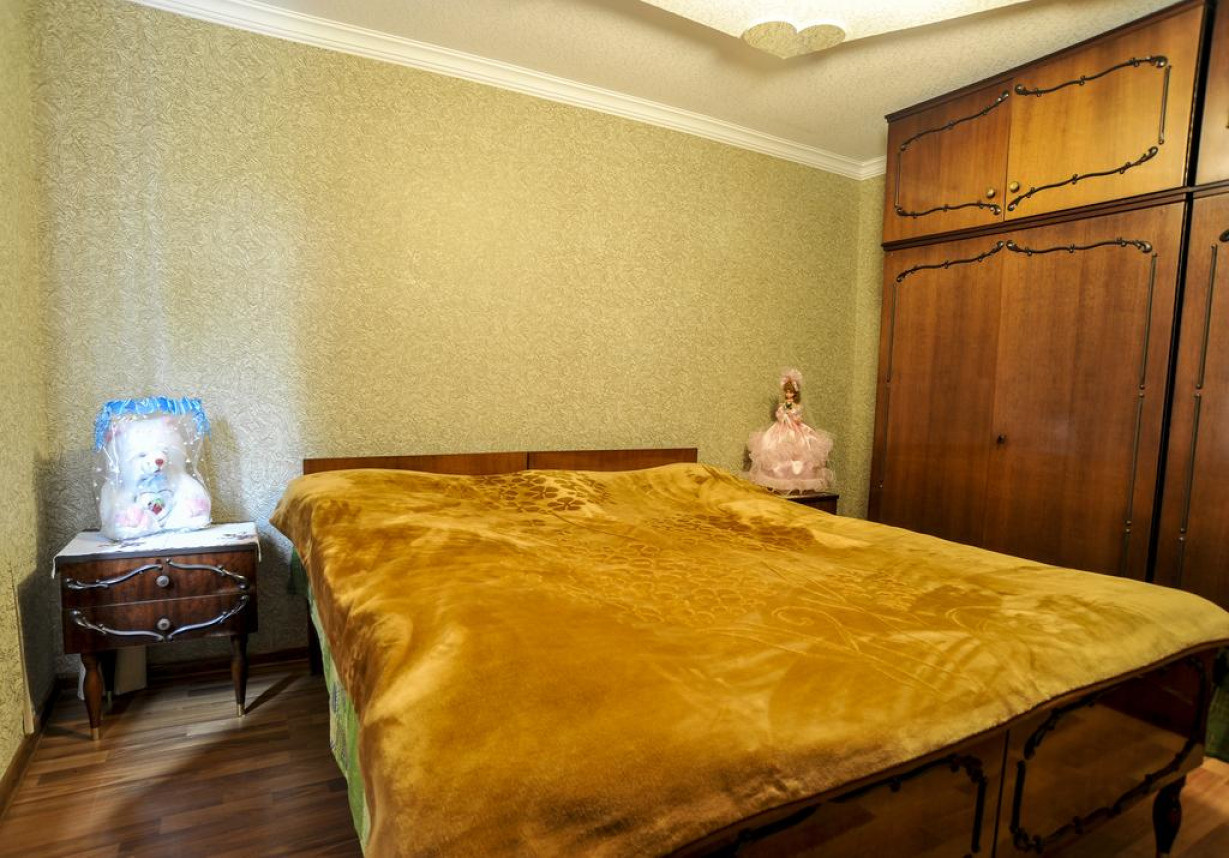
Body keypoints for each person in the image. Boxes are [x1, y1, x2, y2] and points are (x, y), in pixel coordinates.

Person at [747, 369, 835, 493]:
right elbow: (779, 414)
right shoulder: (782, 405)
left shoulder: (796, 406)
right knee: (774, 447)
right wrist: (783, 415)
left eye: (791, 392)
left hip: (795, 429)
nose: (788, 394)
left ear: (795, 393)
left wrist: (793, 416)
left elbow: (799, 417)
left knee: (800, 450)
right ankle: (777, 479)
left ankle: (801, 480)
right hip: (782, 428)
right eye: (787, 391)